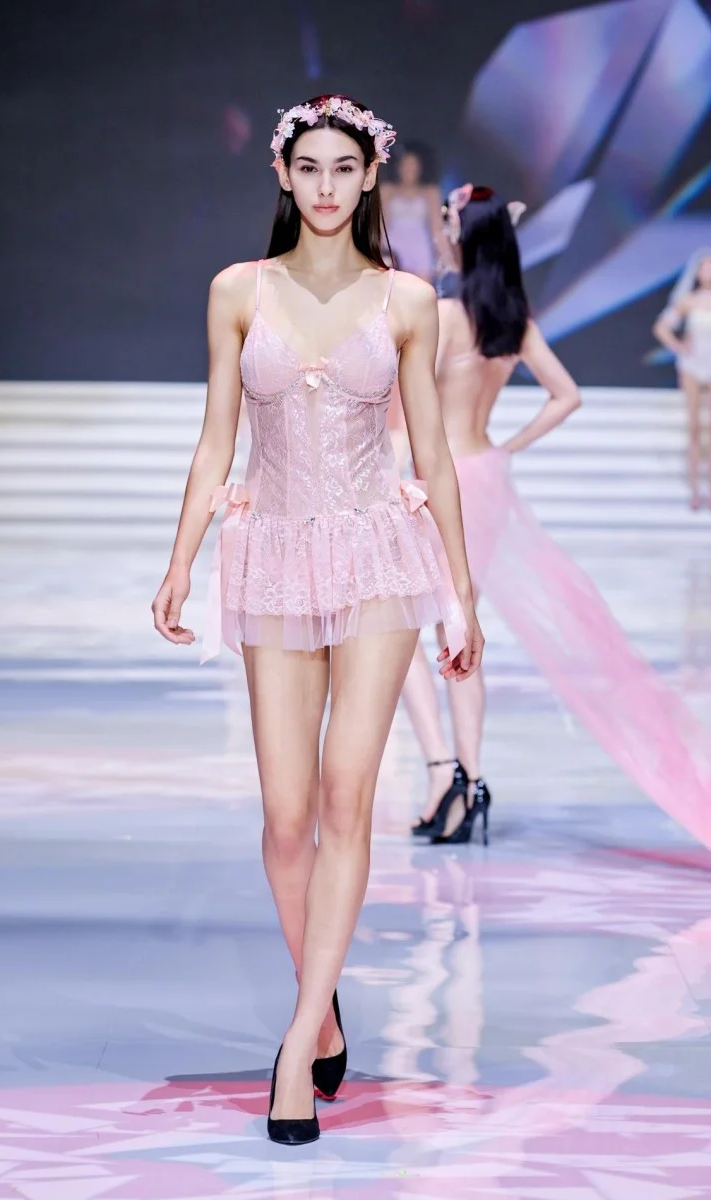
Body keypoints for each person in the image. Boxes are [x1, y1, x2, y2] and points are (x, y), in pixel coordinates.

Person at [150, 95, 484, 1145]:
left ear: (369, 176)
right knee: (285, 816)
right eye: (311, 168)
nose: (328, 186)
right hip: (272, 556)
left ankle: (297, 1047)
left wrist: (461, 593)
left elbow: (433, 456)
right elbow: (216, 438)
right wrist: (180, 558)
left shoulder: (406, 299)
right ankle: (325, 1001)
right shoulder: (238, 290)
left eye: (346, 168)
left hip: (377, 554)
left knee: (347, 800)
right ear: (283, 177)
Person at [398, 186, 711, 849]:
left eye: (447, 221)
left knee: (403, 632)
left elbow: (406, 416)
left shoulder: (443, 316)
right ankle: (468, 782)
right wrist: (505, 449)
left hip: (436, 482)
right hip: (484, 475)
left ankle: (443, 773)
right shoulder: (512, 321)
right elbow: (566, 395)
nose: (441, 232)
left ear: (462, 237)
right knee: (459, 635)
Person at [653, 249, 711, 510]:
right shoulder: (689, 301)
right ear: (697, 272)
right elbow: (661, 327)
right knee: (695, 427)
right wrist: (678, 346)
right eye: (705, 267)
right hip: (693, 365)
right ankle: (695, 490)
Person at [382, 143, 443, 282]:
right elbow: (381, 225)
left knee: (423, 289)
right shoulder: (387, 191)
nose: (408, 169)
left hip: (421, 249)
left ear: (420, 168)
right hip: (393, 249)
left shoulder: (430, 192)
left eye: (413, 165)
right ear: (398, 167)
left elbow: (437, 228)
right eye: (405, 164)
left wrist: (444, 257)